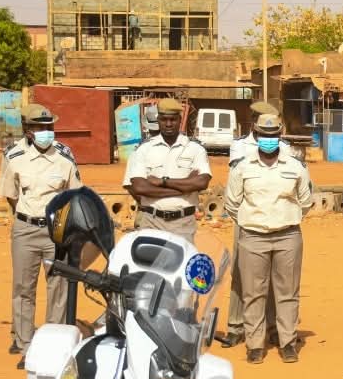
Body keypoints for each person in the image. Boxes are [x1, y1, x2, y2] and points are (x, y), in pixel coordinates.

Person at [225, 114, 313, 364]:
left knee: (288, 292)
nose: (269, 139)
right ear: (256, 133)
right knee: (253, 293)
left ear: (280, 134)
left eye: (273, 135)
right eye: (264, 135)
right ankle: (255, 345)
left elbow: (305, 201)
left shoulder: (295, 166)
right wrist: (252, 221)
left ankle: (288, 342)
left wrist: (285, 218)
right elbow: (232, 203)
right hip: (253, 237)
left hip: (288, 236)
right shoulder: (242, 167)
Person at [0, 104, 82, 367]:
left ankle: (52, 346)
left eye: (49, 126)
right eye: (40, 127)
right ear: (28, 130)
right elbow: (11, 195)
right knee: (23, 288)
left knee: (58, 287)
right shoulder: (14, 157)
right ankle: (25, 346)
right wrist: (30, 217)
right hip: (25, 230)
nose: (46, 131)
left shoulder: (64, 157)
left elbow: (75, 195)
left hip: (56, 231)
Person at [123, 98, 211, 242]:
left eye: (173, 119)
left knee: (182, 257)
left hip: (183, 223)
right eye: (164, 119)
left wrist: (162, 182)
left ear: (180, 120)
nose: (168, 124)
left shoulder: (195, 149)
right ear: (158, 120)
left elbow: (202, 182)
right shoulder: (144, 149)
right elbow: (139, 187)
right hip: (151, 222)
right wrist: (185, 187)